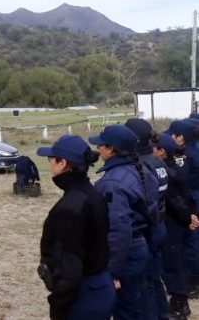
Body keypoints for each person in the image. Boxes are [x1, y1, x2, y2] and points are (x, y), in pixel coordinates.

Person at [36, 135, 114, 320]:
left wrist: (58, 307)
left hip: (83, 296)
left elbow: (68, 270)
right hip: (100, 286)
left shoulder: (69, 208)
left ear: (62, 163)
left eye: (51, 159)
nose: (50, 164)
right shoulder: (92, 194)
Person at [89, 124, 157, 320]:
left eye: (101, 145)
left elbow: (118, 230)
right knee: (141, 301)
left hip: (126, 253)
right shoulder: (143, 169)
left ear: (110, 149)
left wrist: (112, 272)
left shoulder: (112, 182)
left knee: (126, 309)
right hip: (141, 246)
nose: (98, 148)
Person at [124, 118, 169, 319]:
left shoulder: (142, 166)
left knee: (146, 283)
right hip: (159, 223)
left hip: (148, 229)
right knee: (155, 278)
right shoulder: (157, 160)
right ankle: (162, 314)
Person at [153, 132, 199, 319]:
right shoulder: (173, 168)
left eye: (154, 149)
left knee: (172, 265)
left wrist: (188, 218)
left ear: (162, 152)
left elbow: (176, 201)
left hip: (173, 224)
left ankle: (180, 304)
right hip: (180, 221)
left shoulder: (168, 173)